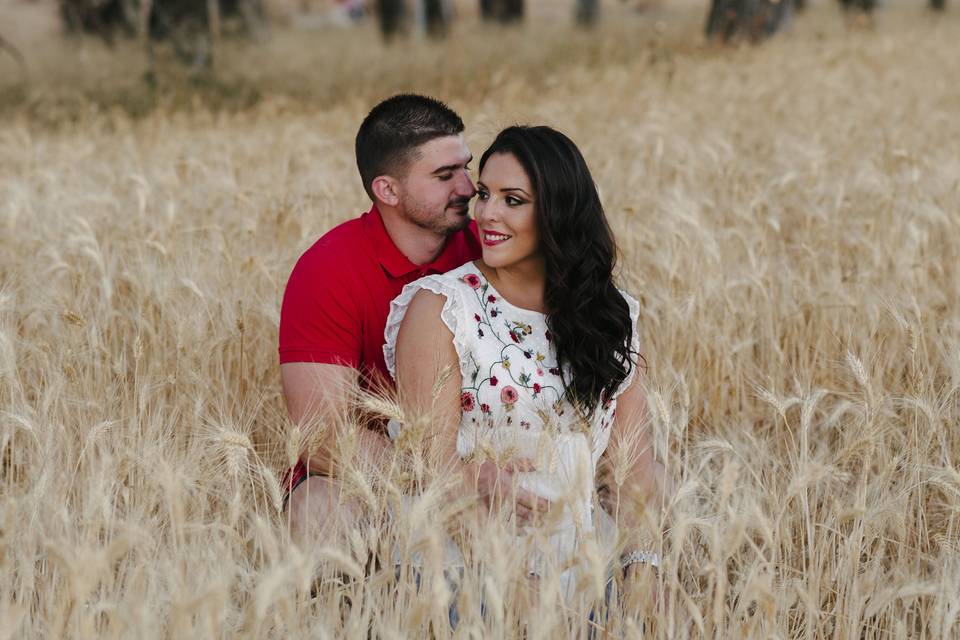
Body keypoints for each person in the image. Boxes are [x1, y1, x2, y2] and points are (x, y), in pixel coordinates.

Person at [384, 125, 667, 602]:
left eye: (513, 199)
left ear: (557, 212)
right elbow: (432, 467)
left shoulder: (610, 317)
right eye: (484, 194)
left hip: (580, 570)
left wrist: (645, 580)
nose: (487, 214)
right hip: (464, 572)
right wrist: (516, 588)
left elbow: (631, 472)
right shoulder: (442, 309)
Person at [278, 94, 481, 545]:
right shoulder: (329, 269)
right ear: (387, 190)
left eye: (467, 167)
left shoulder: (492, 244)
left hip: (496, 455)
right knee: (318, 515)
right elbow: (322, 437)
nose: (468, 188)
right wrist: (453, 479)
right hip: (376, 475)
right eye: (445, 175)